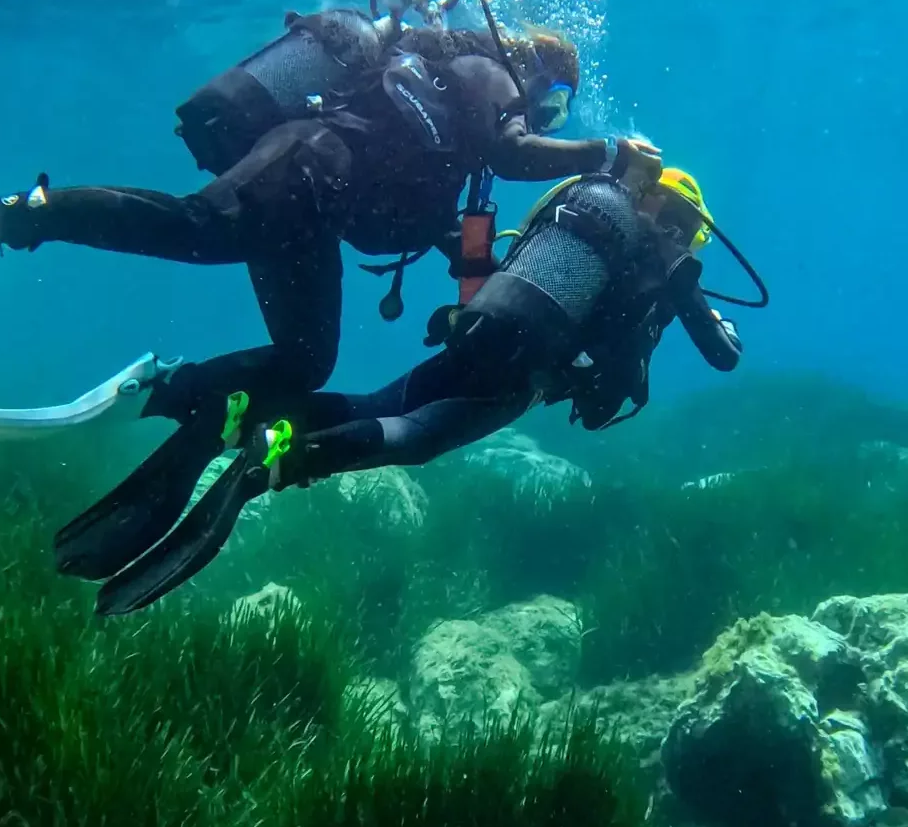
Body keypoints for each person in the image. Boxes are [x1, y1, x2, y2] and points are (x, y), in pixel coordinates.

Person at [0, 0, 661, 495]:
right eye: (553, 101)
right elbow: (514, 151)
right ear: (530, 69)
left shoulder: (458, 136)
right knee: (205, 228)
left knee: (306, 360)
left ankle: (165, 392)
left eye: (555, 113)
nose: (544, 117)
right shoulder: (487, 74)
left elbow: (441, 227)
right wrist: (607, 154)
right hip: (304, 165)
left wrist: (482, 305)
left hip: (312, 210)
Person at [73, 166, 760, 615]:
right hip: (524, 375)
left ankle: (239, 413)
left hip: (478, 332)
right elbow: (723, 357)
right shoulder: (666, 256)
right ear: (680, 218)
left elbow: (494, 263)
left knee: (376, 404)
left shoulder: (583, 217)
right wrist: (707, 310)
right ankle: (276, 458)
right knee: (418, 437)